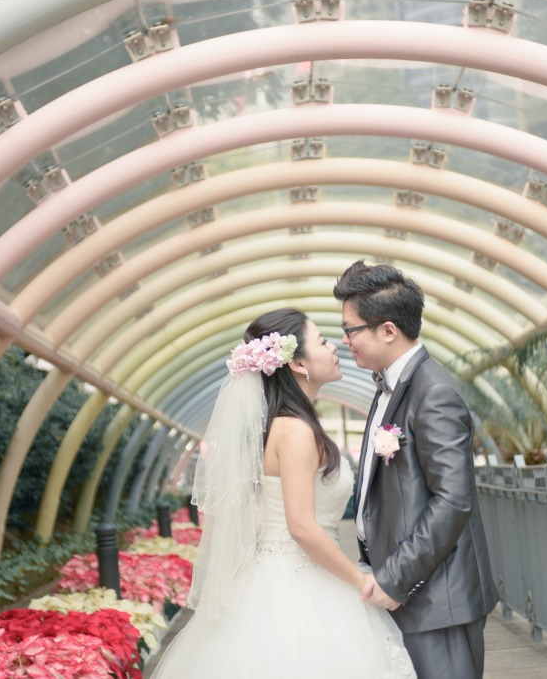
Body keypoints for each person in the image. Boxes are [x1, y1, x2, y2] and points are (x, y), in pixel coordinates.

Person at [149, 308, 416, 678]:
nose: (335, 347)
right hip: (299, 583)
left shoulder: (285, 425)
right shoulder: (295, 431)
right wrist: (363, 582)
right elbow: (301, 527)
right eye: (322, 341)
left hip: (276, 578)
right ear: (299, 364)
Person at [333, 261, 499, 679]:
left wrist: (395, 578)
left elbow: (453, 501)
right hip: (409, 591)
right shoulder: (389, 386)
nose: (344, 340)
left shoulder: (433, 392)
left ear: (388, 330)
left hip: (437, 599)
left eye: (350, 330)